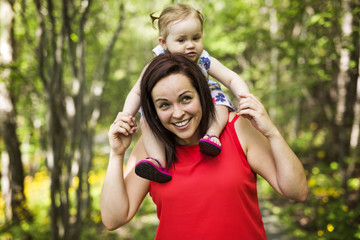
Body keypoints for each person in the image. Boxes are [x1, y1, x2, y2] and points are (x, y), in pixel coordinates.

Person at [100, 53, 308, 239]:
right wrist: (117, 154)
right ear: (153, 110)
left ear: (202, 94)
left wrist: (271, 132)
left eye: (186, 99)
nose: (178, 113)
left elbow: (296, 191)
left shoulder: (237, 128)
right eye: (164, 105)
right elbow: (114, 219)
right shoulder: (151, 149)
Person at [122, 3, 250, 183]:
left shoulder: (204, 59)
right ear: (164, 43)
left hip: (204, 98)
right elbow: (137, 92)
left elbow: (230, 78)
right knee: (146, 121)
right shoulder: (155, 65)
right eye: (181, 40)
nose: (190, 45)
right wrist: (126, 115)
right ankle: (157, 161)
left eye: (196, 38)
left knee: (220, 100)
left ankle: (212, 135)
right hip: (169, 105)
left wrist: (244, 97)